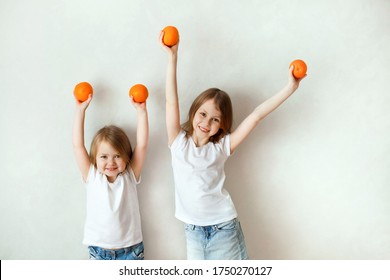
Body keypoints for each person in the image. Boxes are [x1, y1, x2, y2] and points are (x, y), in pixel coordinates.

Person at [160, 31, 306, 260]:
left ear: (222, 125)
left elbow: (257, 115)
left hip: (223, 229)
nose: (206, 122)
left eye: (215, 119)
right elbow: (171, 100)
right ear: (194, 112)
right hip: (193, 232)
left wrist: (290, 88)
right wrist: (173, 57)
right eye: (203, 114)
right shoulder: (178, 142)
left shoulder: (221, 147)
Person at [72, 92, 149, 260]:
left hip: (131, 251)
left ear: (126, 156)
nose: (111, 162)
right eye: (104, 157)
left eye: (117, 156)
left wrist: (142, 112)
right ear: (95, 158)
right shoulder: (92, 176)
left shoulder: (129, 175)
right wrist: (80, 111)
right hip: (99, 251)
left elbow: (142, 145)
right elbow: (78, 146)